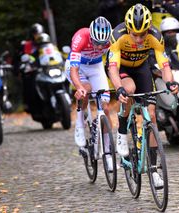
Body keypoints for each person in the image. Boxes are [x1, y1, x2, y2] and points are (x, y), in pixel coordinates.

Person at [107, 3, 179, 187]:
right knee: (129, 90)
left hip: (141, 68)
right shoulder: (118, 35)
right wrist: (119, 88)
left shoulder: (155, 35)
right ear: (128, 29)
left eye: (142, 34)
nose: (139, 39)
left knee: (152, 114)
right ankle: (122, 132)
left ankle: (154, 170)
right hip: (121, 68)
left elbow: (164, 65)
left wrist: (170, 82)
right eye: (134, 34)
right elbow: (113, 67)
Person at [64, 16, 114, 171]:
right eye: (96, 43)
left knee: (105, 108)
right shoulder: (81, 37)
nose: (100, 47)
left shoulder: (111, 39)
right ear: (91, 36)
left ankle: (108, 153)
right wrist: (79, 87)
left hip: (96, 67)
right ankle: (79, 123)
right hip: (77, 68)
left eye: (103, 44)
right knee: (85, 89)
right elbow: (74, 70)